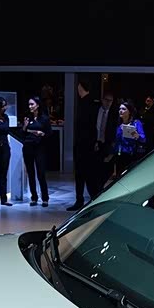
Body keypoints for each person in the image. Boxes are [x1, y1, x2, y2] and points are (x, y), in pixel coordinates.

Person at [68, 80, 99, 212]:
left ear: (81, 88)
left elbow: (90, 126)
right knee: (83, 174)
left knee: (84, 174)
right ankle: (85, 199)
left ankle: (87, 200)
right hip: (84, 144)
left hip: (85, 144)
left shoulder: (88, 104)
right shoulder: (88, 103)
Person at [22, 96, 52, 207]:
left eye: (32, 104)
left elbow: (49, 133)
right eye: (29, 104)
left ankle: (45, 198)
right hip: (28, 147)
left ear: (38, 105)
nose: (30, 106)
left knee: (41, 173)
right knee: (30, 174)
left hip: (39, 148)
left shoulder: (44, 118)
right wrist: (25, 126)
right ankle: (34, 197)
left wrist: (42, 133)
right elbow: (22, 134)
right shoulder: (27, 118)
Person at [109, 100, 146, 179]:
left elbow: (143, 139)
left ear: (129, 112)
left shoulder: (136, 123)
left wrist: (137, 136)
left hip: (131, 156)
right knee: (120, 178)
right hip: (119, 156)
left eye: (123, 109)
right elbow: (116, 141)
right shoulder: (118, 125)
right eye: (120, 109)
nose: (120, 111)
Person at [95, 91, 119, 192]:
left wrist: (112, 144)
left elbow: (115, 130)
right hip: (96, 142)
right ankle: (96, 188)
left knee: (107, 168)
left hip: (107, 143)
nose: (108, 102)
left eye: (111, 101)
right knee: (96, 167)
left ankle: (100, 187)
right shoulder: (96, 111)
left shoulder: (114, 114)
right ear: (102, 100)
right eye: (106, 100)